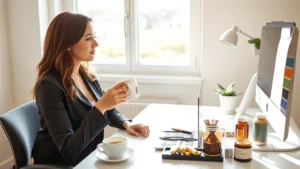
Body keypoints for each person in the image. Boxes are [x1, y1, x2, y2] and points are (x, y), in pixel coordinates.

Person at [31, 12, 150, 166]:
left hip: (88, 158)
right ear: (67, 43)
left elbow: (106, 110)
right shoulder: (49, 87)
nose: (96, 43)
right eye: (88, 38)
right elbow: (69, 151)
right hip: (64, 164)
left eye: (94, 37)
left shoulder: (86, 75)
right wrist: (102, 105)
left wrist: (126, 123)